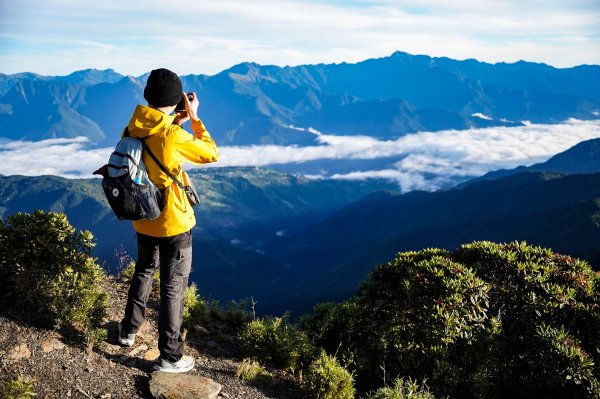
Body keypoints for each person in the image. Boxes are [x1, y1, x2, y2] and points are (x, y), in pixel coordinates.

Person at [117, 68, 218, 373]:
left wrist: (174, 119)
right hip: (173, 221)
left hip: (143, 216)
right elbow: (211, 153)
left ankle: (128, 330)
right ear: (177, 101)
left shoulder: (131, 129)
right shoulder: (173, 135)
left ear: (148, 97)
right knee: (173, 286)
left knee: (144, 270)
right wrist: (195, 119)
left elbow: (152, 146)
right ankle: (170, 356)